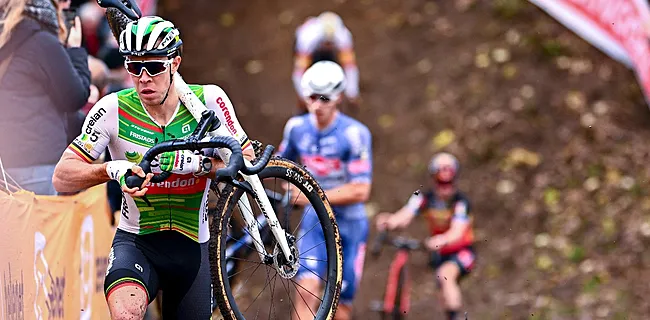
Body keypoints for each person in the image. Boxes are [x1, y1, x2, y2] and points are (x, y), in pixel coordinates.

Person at [52, 16, 255, 319]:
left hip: (193, 247)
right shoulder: (112, 109)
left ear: (175, 62)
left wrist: (197, 164)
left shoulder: (208, 101)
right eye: (134, 67)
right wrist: (113, 169)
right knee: (126, 313)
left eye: (155, 67)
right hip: (137, 242)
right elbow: (61, 177)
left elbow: (247, 163)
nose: (144, 77)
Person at [277, 61, 373, 320]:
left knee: (340, 308)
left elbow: (361, 190)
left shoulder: (355, 134)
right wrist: (288, 187)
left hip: (349, 224)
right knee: (306, 293)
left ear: (339, 97)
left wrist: (308, 194)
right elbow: (276, 169)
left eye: (324, 99)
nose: (317, 105)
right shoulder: (296, 129)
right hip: (314, 223)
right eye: (311, 98)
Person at [0, 0, 90, 195]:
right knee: (41, 225)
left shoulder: (7, 37)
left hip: (6, 161)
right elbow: (75, 97)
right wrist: (75, 51)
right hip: (39, 164)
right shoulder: (41, 42)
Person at [375, 152, 476, 320]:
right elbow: (406, 214)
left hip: (462, 252)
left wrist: (443, 240)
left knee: (446, 275)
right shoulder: (422, 197)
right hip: (439, 253)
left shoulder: (461, 202)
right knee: (443, 293)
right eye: (441, 183)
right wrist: (390, 221)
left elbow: (457, 231)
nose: (445, 189)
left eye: (449, 183)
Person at [292, 11, 360, 114]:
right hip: (311, 50)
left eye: (330, 43)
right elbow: (298, 73)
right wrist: (303, 97)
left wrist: (352, 92)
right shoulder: (306, 39)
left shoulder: (343, 36)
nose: (328, 46)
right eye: (326, 43)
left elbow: (350, 67)